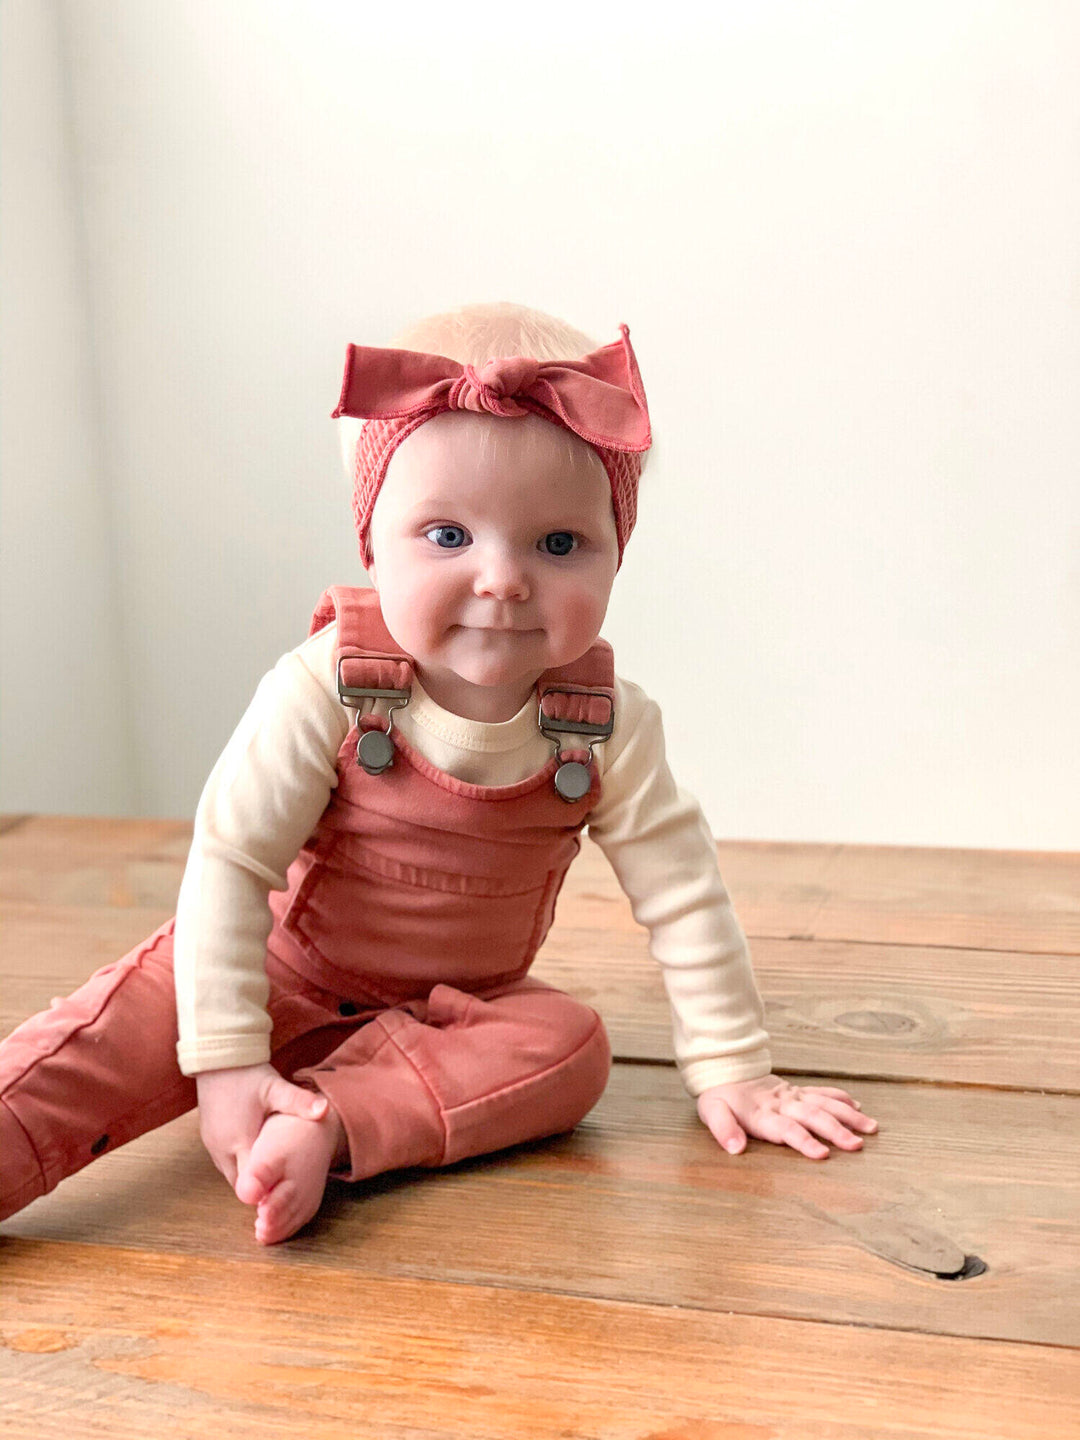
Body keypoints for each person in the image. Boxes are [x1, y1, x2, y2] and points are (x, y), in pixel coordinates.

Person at [0, 302, 877, 1245]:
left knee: (571, 1050)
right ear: (372, 542)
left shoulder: (606, 724)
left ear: (618, 550)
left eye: (557, 544)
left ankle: (329, 1123)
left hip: (452, 1015)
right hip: (265, 963)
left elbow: (685, 896)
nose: (502, 580)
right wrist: (223, 1060)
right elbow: (230, 863)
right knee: (82, 1057)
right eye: (449, 536)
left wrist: (733, 1066)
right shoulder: (327, 685)